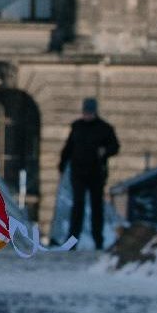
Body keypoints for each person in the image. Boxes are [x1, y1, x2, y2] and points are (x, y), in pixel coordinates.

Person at [58, 97, 120, 249]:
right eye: (85, 112)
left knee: (96, 207)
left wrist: (105, 151)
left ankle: (98, 240)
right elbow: (68, 148)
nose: (87, 115)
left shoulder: (105, 128)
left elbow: (115, 146)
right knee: (77, 205)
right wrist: (62, 164)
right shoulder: (77, 127)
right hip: (78, 172)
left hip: (96, 173)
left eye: (90, 112)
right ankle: (72, 240)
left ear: (95, 112)